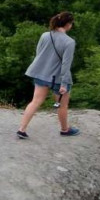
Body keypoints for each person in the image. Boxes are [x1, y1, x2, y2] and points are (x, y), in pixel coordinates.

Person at [17, 11, 79, 139]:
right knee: (62, 105)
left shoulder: (45, 35)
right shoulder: (69, 42)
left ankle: (21, 129)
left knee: (35, 102)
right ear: (68, 24)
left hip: (41, 74)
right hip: (58, 78)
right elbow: (66, 65)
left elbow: (39, 53)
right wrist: (64, 84)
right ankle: (65, 130)